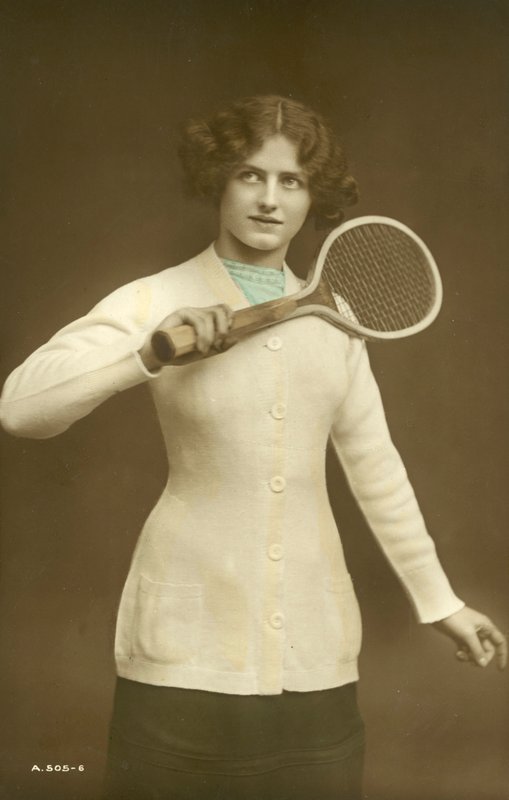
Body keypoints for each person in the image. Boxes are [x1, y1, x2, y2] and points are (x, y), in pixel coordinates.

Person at [1, 95, 506, 800]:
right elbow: (21, 410)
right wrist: (145, 355)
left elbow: (375, 466)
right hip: (182, 655)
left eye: (290, 180)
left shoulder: (337, 319)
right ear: (218, 180)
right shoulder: (157, 298)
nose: (268, 200)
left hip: (314, 652)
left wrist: (439, 601)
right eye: (249, 175)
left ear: (312, 197)